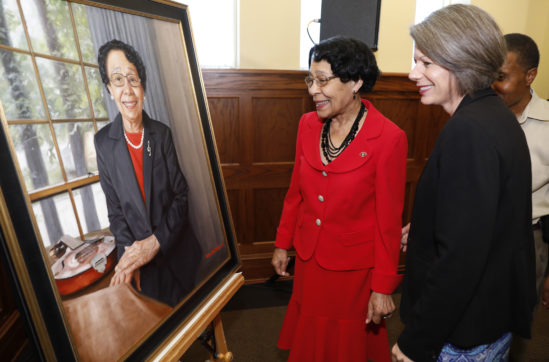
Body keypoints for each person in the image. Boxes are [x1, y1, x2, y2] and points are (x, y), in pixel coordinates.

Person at [392, 5, 537, 362]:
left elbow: (461, 259)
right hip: (488, 318)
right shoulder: (495, 115)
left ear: (461, 61)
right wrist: (427, 227)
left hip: (460, 336)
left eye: (425, 63)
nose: (413, 73)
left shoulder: (469, 130)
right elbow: (486, 219)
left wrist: (415, 342)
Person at [271, 36, 408, 362]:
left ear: (356, 81)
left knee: (345, 348)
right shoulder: (306, 125)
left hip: (352, 273)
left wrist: (383, 286)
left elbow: (388, 222)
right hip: (309, 260)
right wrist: (282, 242)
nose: (312, 90)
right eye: (310, 79)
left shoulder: (389, 138)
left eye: (322, 80)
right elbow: (296, 193)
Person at [94, 39, 200, 307]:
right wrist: (129, 257)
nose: (127, 90)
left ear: (143, 87)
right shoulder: (103, 143)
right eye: (118, 79)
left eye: (133, 79)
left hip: (177, 252)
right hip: (143, 265)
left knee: (193, 321)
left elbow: (181, 196)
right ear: (108, 88)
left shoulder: (161, 134)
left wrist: (155, 242)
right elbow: (116, 212)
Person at [492, 33, 549, 361]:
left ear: (530, 76)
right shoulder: (483, 115)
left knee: (517, 321)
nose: (494, 84)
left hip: (529, 238)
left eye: (502, 76)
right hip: (483, 232)